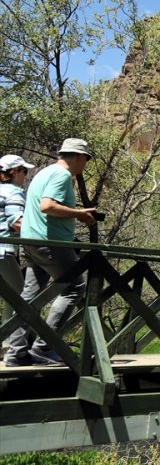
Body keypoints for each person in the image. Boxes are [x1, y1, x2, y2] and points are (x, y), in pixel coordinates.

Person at [3, 138, 96, 367]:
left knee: (29, 298)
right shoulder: (61, 175)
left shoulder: (43, 173)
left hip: (32, 241)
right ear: (78, 157)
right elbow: (47, 206)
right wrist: (79, 214)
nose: (85, 164)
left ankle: (17, 352)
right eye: (86, 159)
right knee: (75, 287)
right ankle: (44, 347)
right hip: (51, 243)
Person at [0, 155, 35, 355]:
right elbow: (16, 222)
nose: (26, 175)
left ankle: (5, 342)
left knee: (10, 296)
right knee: (20, 296)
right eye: (24, 171)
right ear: (13, 172)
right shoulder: (13, 191)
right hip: (3, 251)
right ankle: (12, 346)